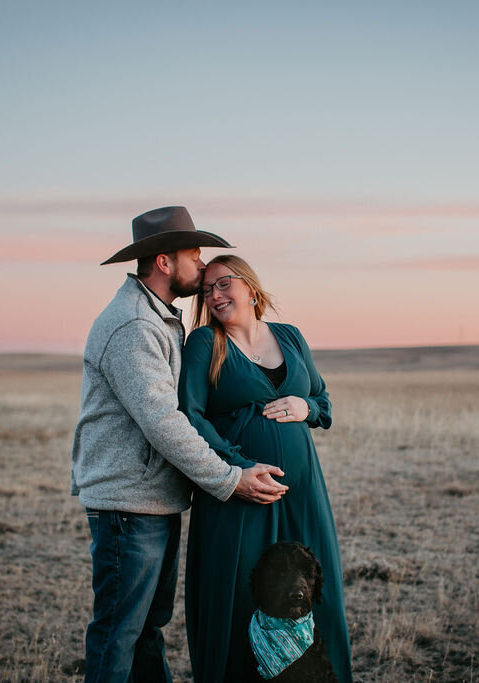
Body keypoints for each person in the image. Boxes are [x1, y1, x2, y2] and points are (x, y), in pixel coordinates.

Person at [70, 207, 289, 683]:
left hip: (151, 503)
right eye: (194, 254)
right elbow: (163, 423)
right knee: (117, 635)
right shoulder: (134, 325)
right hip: (128, 509)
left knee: (146, 631)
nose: (201, 263)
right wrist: (230, 481)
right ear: (165, 262)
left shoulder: (158, 317)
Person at [178, 255, 353, 682]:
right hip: (241, 493)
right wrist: (239, 465)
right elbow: (191, 414)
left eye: (223, 284)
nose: (215, 296)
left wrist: (305, 405)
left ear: (251, 288)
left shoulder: (290, 337)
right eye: (207, 291)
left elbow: (324, 403)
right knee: (239, 594)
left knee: (316, 591)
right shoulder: (205, 343)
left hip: (302, 490)